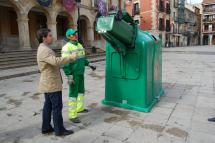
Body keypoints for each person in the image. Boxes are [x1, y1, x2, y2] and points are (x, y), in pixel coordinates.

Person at [36, 28, 77, 136]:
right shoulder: (44, 49)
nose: (52, 37)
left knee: (48, 106)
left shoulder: (43, 48)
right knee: (57, 106)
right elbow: (55, 62)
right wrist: (71, 57)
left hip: (48, 82)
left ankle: (46, 127)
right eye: (49, 35)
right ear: (44, 38)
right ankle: (60, 130)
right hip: (51, 83)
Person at [61, 28, 96, 123]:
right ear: (69, 37)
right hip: (73, 74)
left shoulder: (79, 45)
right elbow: (65, 63)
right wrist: (69, 75)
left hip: (80, 73)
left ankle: (79, 108)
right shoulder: (66, 47)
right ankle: (72, 115)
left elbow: (82, 59)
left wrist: (89, 64)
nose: (75, 35)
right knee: (73, 94)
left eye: (76, 33)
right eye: (73, 34)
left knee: (81, 91)